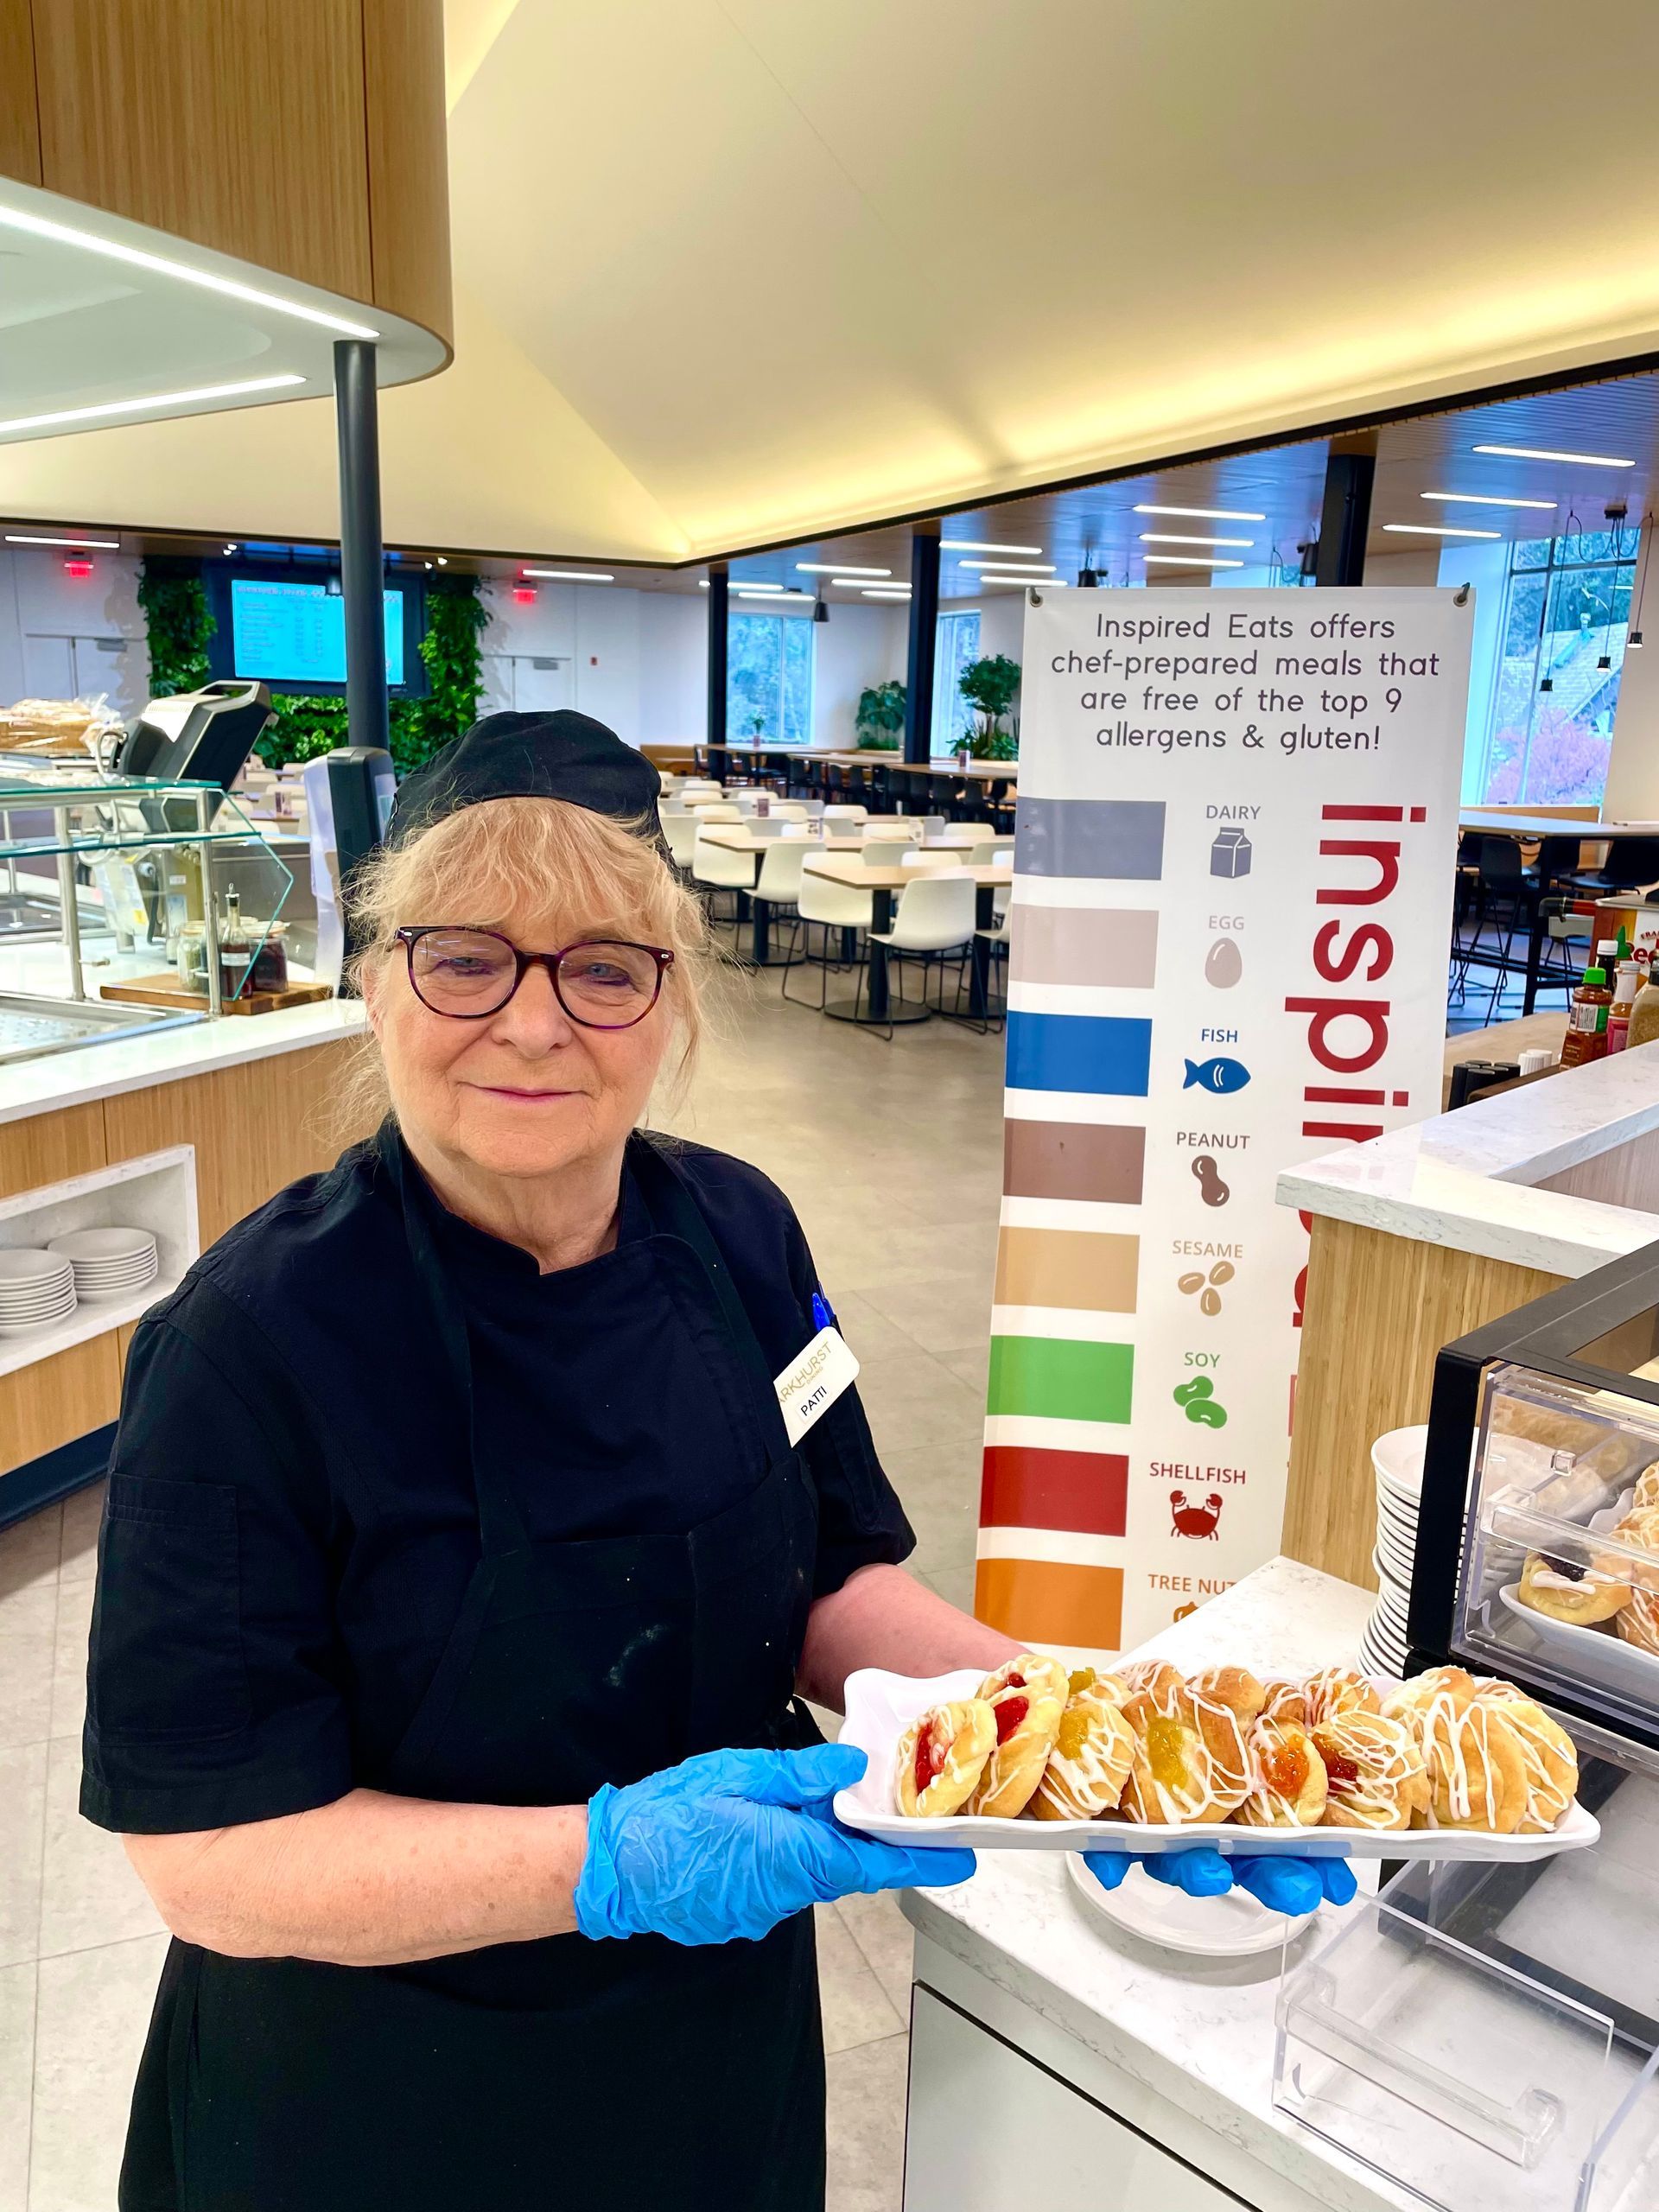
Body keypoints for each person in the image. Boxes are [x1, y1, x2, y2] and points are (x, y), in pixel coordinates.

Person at [83, 711, 1348, 2212]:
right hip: (378, 2104)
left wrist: (1082, 1737)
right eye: (466, 956)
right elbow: (209, 1860)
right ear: (374, 986)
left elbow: (828, 1577)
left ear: (673, 1006)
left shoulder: (740, 1235)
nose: (536, 1022)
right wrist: (608, 1862)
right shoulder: (249, 1349)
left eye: (604, 967)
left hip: (704, 2069)